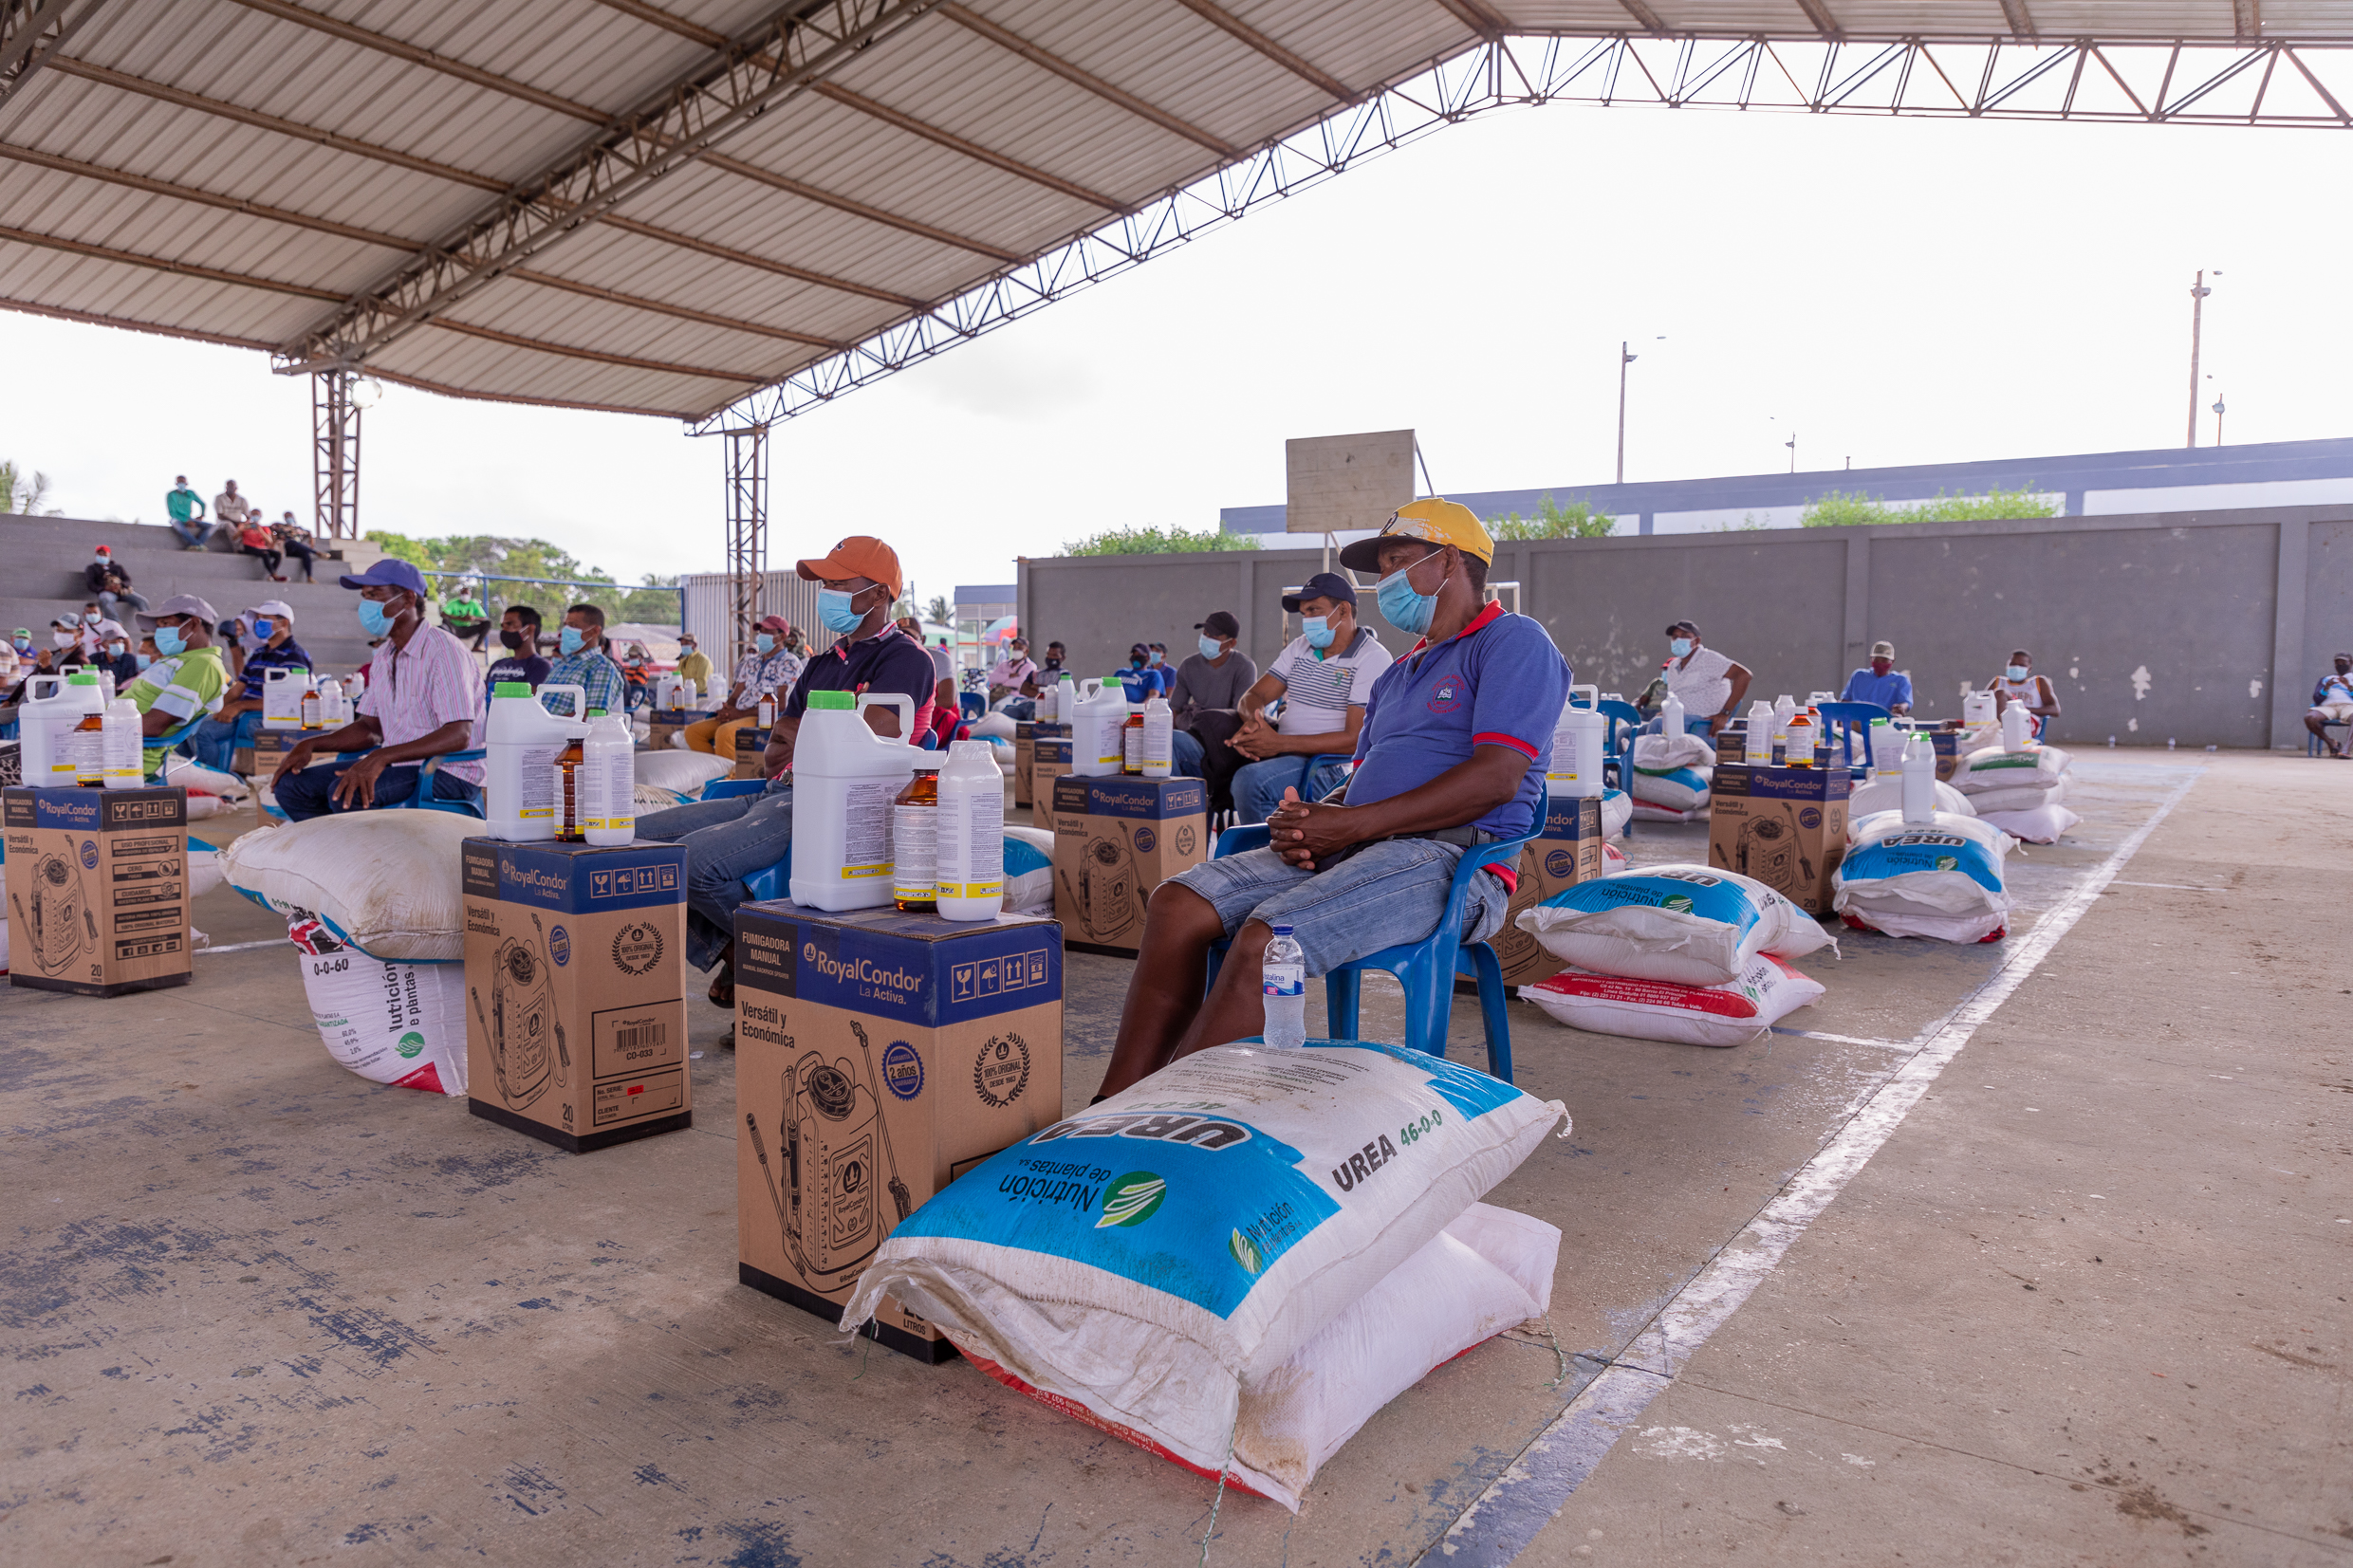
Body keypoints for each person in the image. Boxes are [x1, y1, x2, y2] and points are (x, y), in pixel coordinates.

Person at [1099, 501, 1566, 1097]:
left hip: (1452, 863)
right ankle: (1112, 1103)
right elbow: (1366, 773)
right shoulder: (1401, 671)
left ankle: (1166, 1121)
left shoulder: (1512, 642)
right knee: (1176, 906)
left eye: (1398, 562)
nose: (1385, 583)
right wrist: (1316, 819)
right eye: (1382, 569)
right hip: (1363, 844)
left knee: (1269, 940)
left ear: (1449, 560)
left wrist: (1351, 826)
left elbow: (1496, 779)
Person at [638, 536, 936, 1037]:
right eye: (825, 583)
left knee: (692, 862)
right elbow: (778, 747)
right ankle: (752, 963)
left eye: (840, 583)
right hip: (779, 790)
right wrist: (816, 738)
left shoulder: (907, 660)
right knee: (635, 845)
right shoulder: (822, 663)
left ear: (880, 594)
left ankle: (782, 976)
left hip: (835, 803)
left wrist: (810, 738)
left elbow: (860, 750)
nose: (828, 592)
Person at [270, 560, 485, 818]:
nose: (366, 605)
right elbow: (370, 729)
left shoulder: (444, 650)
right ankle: (334, 854)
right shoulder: (384, 656)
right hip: (399, 764)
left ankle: (368, 857)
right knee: (293, 787)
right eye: (364, 597)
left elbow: (458, 734)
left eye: (374, 595)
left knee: (348, 793)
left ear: (407, 599)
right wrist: (310, 744)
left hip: (449, 770)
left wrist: (380, 757)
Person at [1226, 573, 1390, 822]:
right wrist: (1255, 721)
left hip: (1330, 765)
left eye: (1314, 610)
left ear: (1344, 611)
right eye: (1304, 614)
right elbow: (1254, 695)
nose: (1307, 620)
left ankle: (1266, 858)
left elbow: (1354, 740)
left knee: (1252, 782)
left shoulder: (1371, 658)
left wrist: (1279, 743)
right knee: (1210, 760)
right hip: (1287, 755)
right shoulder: (1300, 647)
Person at [185, 600, 311, 773]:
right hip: (245, 712)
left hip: (266, 717)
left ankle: (215, 781)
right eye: (258, 619)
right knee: (188, 725)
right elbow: (238, 689)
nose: (258, 623)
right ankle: (198, 776)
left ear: (284, 623)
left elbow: (287, 702)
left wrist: (238, 707)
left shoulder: (295, 656)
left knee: (204, 732)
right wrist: (208, 707)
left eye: (265, 619)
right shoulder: (259, 653)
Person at [121, 596, 232, 777]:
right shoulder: (178, 660)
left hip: (124, 756)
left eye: (166, 624)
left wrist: (93, 729)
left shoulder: (203, 664)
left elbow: (155, 724)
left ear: (194, 624)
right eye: (159, 626)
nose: (160, 632)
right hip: (114, 746)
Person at [684, 615, 801, 755]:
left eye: (768, 632)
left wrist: (740, 714)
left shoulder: (789, 663)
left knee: (725, 733)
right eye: (761, 632)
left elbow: (781, 705)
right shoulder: (752, 662)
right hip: (739, 714)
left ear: (782, 637)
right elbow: (735, 695)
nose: (762, 636)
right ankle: (717, 771)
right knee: (693, 732)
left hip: (763, 718)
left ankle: (731, 776)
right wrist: (727, 710)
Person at [1165, 610, 1257, 784]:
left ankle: (1183, 807)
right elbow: (1174, 709)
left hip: (1222, 743)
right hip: (1193, 734)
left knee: (1172, 744)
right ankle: (1181, 805)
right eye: (1205, 634)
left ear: (1231, 643)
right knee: (1165, 743)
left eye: (1214, 636)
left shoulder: (1244, 667)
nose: (1206, 639)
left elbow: (1241, 715)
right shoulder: (1189, 666)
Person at [1658, 619, 1751, 735]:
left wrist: (1725, 714)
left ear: (1696, 641)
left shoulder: (1708, 659)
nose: (1678, 640)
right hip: (1679, 720)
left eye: (1684, 637)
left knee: (1657, 726)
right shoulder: (1673, 666)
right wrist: (1667, 712)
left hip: (1703, 724)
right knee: (1633, 731)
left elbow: (1744, 675)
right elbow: (1676, 695)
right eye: (1675, 637)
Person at [539, 603, 627, 719]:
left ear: (595, 631)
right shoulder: (563, 663)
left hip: (562, 735)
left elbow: (591, 718)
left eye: (573, 625)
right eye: (566, 625)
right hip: (538, 730)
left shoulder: (602, 667)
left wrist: (544, 723)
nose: (566, 630)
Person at [900, 616, 960, 743]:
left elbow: (948, 700)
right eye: (900, 637)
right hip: (908, 717)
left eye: (910, 637)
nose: (906, 641)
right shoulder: (893, 661)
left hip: (939, 717)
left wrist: (912, 711)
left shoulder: (940, 659)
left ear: (922, 639)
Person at [1985, 649, 2060, 739]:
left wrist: (2021, 710)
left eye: (2021, 665)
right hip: (2000, 722)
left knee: (2001, 693)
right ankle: (2001, 733)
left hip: (2027, 722)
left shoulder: (2038, 682)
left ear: (2029, 669)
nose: (2016, 668)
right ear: (2007, 666)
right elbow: (1982, 706)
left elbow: (2055, 710)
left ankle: (2001, 734)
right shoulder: (1998, 682)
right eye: (2013, 665)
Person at [487, 604, 551, 694]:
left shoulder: (541, 666)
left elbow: (531, 701)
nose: (504, 630)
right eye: (502, 626)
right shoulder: (497, 664)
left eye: (509, 624)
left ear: (529, 629)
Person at [1838, 639, 1913, 716]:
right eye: (1877, 660)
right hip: (1857, 722)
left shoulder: (1900, 680)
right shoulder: (1858, 676)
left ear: (1893, 661)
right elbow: (1845, 700)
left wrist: (1900, 708)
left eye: (1884, 660)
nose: (1880, 663)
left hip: (1885, 723)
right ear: (1871, 659)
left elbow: (1905, 702)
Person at [83, 546, 151, 621]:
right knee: (106, 601)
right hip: (106, 591)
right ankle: (116, 623)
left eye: (105, 555)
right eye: (100, 554)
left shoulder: (117, 567)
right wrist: (105, 588)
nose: (102, 557)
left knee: (142, 600)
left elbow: (128, 580)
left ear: (109, 555)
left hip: (121, 591)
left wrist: (120, 585)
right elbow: (91, 584)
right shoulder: (92, 568)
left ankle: (146, 622)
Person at [2307, 653, 2353, 758]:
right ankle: (2332, 744)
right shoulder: (2327, 679)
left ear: (2351, 663)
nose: (2340, 665)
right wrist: (2326, 688)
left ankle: (2346, 750)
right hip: (2328, 706)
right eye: (2338, 663)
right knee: (2310, 718)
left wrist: (2349, 687)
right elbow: (2317, 698)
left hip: (2348, 706)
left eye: (2343, 663)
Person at [986, 637, 1037, 707]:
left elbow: (1020, 682)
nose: (1016, 650)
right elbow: (991, 678)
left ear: (1027, 651)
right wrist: (1009, 676)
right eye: (1014, 648)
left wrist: (1001, 680)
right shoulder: (1004, 664)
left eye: (1019, 648)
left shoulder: (1030, 666)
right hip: (998, 694)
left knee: (999, 707)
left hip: (1016, 696)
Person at [441, 582, 491, 651]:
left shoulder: (474, 603)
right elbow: (443, 614)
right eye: (463, 594)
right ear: (460, 595)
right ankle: (448, 645)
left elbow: (484, 617)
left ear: (470, 595)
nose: (465, 595)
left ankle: (476, 646)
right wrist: (459, 618)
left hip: (467, 629)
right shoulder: (453, 602)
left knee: (487, 623)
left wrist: (473, 618)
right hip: (454, 629)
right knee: (444, 621)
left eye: (466, 594)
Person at [234, 514, 286, 581]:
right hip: (249, 547)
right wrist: (240, 530)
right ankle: (274, 575)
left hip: (261, 547)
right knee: (265, 553)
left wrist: (260, 531)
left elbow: (269, 541)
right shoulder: (245, 527)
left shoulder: (264, 528)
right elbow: (234, 538)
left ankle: (272, 574)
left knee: (278, 554)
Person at [273, 511, 319, 582]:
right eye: (287, 517)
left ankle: (309, 577)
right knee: (292, 542)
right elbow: (272, 528)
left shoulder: (299, 529)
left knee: (305, 554)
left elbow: (309, 533)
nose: (289, 518)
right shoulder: (282, 527)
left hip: (297, 549)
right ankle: (316, 553)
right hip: (287, 548)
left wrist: (312, 544)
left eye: (290, 516)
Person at [673, 632, 714, 697]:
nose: (684, 646)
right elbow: (677, 679)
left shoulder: (703, 660)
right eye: (682, 644)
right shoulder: (682, 661)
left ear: (694, 645)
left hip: (700, 698)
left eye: (686, 644)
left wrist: (686, 692)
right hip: (684, 697)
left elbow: (702, 683)